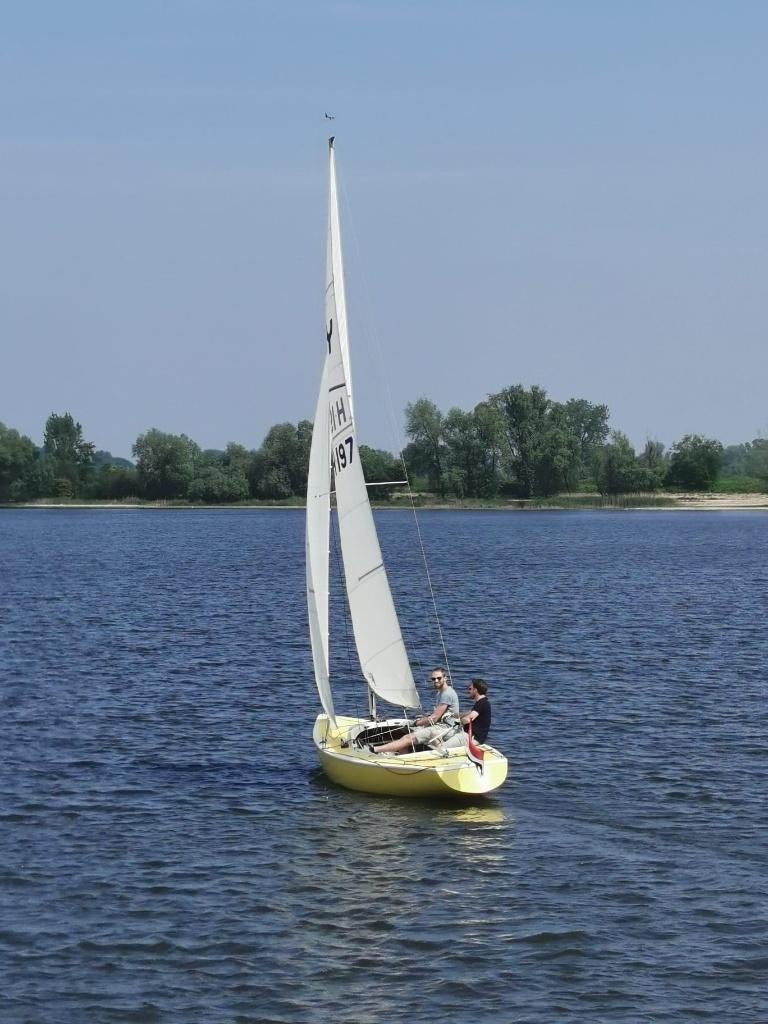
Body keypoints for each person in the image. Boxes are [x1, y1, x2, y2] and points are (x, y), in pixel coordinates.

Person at [371, 668, 459, 754]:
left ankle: (374, 750)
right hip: (440, 725)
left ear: (445, 678)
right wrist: (424, 719)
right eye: (433, 679)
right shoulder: (441, 692)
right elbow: (439, 714)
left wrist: (416, 723)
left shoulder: (447, 694)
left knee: (407, 738)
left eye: (439, 678)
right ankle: (403, 758)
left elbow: (434, 718)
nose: (436, 680)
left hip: (445, 728)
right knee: (407, 734)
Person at [443, 678, 492, 749]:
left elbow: (468, 719)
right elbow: (470, 713)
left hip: (470, 738)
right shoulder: (484, 703)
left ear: (475, 690)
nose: (468, 691)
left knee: (442, 747)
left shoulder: (481, 703)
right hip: (472, 736)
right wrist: (453, 715)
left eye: (470, 689)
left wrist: (459, 722)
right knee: (444, 736)